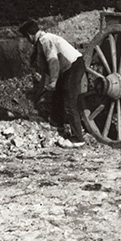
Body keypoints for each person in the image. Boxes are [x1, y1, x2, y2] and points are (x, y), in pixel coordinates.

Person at [18, 19, 86, 148]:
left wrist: (54, 81)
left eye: (26, 38)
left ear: (29, 35)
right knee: (57, 95)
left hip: (73, 66)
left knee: (69, 101)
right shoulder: (44, 39)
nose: (27, 41)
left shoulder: (45, 40)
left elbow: (53, 61)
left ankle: (77, 138)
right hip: (67, 68)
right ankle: (56, 124)